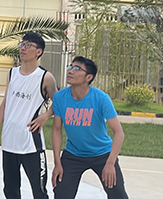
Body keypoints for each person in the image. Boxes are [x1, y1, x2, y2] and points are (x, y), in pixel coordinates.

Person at [0, 32, 58, 199]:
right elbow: (6, 103)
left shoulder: (45, 77)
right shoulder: (12, 73)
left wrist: (45, 116)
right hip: (9, 140)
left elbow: (60, 103)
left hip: (31, 143)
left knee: (39, 191)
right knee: (10, 190)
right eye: (22, 44)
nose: (23, 48)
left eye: (28, 45)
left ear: (39, 52)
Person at [51, 56, 128, 199]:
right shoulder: (60, 97)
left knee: (118, 195)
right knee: (61, 193)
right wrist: (57, 163)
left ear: (89, 77)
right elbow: (56, 130)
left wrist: (110, 163)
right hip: (73, 154)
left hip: (102, 154)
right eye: (70, 66)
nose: (70, 71)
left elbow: (119, 133)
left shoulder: (101, 98)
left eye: (77, 68)